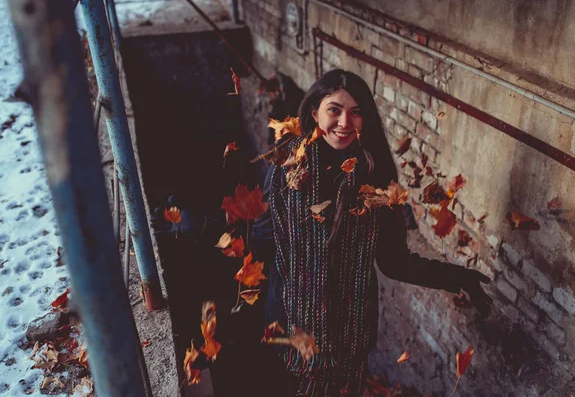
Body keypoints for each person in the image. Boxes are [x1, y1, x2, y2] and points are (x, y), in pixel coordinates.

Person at [152, 69, 492, 397]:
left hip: (350, 339)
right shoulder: (287, 171)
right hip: (291, 328)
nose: (345, 123)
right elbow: (262, 242)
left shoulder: (375, 181)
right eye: (335, 110)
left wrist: (455, 276)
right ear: (315, 112)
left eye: (356, 113)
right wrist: (200, 226)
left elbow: (393, 262)